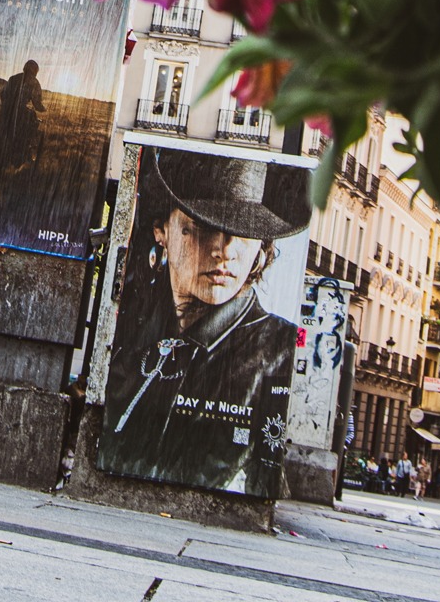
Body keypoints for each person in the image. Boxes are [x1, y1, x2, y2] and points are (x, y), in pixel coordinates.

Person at [100, 149, 308, 496]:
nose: (225, 249)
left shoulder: (278, 349)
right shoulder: (129, 334)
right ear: (161, 231)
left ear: (262, 247)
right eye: (204, 226)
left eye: (244, 232)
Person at [0, 59, 46, 169]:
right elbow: (37, 103)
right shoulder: (34, 82)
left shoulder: (13, 78)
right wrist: (44, 109)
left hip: (5, 111)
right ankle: (23, 150)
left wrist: (8, 105)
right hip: (19, 112)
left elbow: (2, 94)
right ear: (35, 71)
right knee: (31, 119)